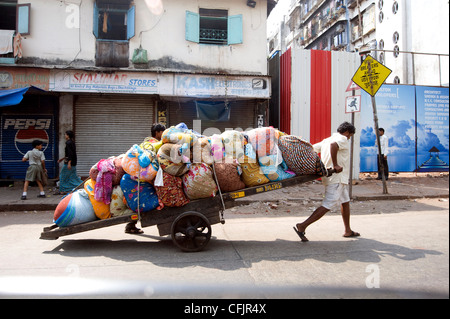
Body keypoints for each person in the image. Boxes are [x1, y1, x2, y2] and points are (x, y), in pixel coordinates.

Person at [293, 122, 360, 242]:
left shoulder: (327, 140)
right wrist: (335, 164)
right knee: (328, 203)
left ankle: (348, 230)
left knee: (345, 201)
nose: (349, 138)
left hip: (333, 177)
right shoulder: (342, 139)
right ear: (347, 132)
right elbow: (334, 146)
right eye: (350, 136)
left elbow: (312, 148)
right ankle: (303, 225)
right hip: (337, 178)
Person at [125, 123, 166, 234]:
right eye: (163, 131)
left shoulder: (145, 143)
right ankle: (131, 224)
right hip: (146, 178)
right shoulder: (153, 144)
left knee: (143, 200)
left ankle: (131, 224)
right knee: (150, 199)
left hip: (143, 177)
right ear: (157, 132)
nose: (164, 134)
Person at [56, 130, 83, 195]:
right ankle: (82, 186)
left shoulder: (68, 143)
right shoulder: (72, 142)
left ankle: (62, 190)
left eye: (65, 135)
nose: (65, 136)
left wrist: (69, 163)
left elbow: (70, 153)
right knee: (73, 177)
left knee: (62, 175)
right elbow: (69, 153)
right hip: (73, 161)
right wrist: (62, 159)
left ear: (68, 135)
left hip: (70, 162)